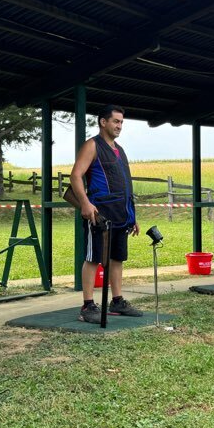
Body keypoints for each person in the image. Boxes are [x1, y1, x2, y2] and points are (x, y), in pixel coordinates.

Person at [69, 105, 143, 323]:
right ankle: (88, 305)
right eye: (115, 121)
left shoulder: (119, 149)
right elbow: (75, 176)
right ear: (103, 122)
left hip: (122, 215)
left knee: (117, 258)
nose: (119, 126)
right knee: (93, 259)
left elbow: (125, 186)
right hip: (99, 214)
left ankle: (117, 300)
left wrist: (133, 216)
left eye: (121, 122)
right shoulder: (92, 145)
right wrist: (85, 203)